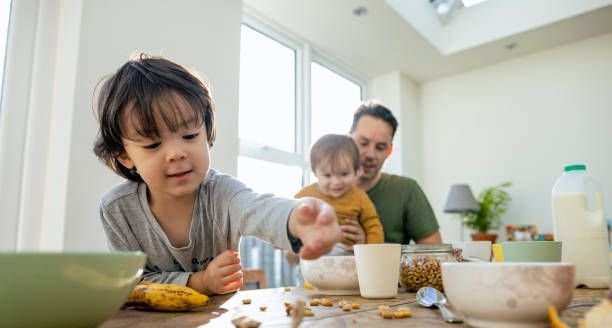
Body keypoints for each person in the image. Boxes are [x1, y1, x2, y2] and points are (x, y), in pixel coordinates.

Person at [93, 54, 340, 295]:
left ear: (206, 131)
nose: (176, 153)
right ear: (124, 155)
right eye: (153, 145)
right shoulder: (117, 208)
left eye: (190, 136)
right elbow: (133, 282)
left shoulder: (222, 193)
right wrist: (201, 282)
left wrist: (295, 219)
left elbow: (257, 209)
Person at [341, 100, 442, 247]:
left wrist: (367, 247)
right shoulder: (320, 191)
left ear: (389, 151)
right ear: (348, 141)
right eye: (363, 143)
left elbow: (436, 253)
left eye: (380, 147)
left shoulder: (406, 190)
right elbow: (295, 256)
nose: (370, 154)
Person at [295, 134, 384, 254]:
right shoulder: (305, 195)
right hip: (314, 255)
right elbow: (288, 216)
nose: (336, 182)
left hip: (348, 255)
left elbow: (373, 224)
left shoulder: (359, 197)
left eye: (344, 174)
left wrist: (369, 250)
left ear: (356, 171)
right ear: (315, 172)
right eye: (327, 175)